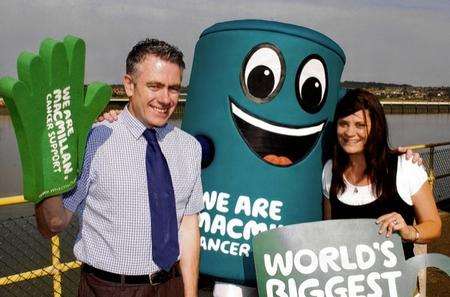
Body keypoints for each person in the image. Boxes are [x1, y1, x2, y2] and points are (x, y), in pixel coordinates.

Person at [35, 39, 204, 297]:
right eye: (154, 86)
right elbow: (54, 224)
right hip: (111, 289)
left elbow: (188, 226)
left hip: (171, 286)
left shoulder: (189, 147)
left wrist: (189, 293)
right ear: (128, 85)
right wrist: (46, 173)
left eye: (173, 88)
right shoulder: (93, 140)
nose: (165, 98)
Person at [322, 89, 441, 259]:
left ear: (376, 127)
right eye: (343, 124)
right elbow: (328, 231)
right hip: (348, 282)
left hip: (398, 282)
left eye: (360, 125)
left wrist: (409, 232)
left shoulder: (406, 167)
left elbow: (434, 226)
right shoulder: (330, 170)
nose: (349, 132)